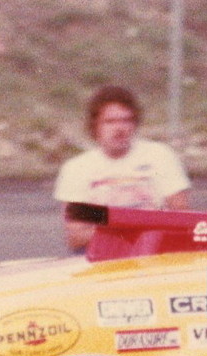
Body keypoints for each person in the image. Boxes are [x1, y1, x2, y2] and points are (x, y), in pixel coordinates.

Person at [55, 86, 193, 253]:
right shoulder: (77, 168)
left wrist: (115, 224)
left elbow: (182, 219)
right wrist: (137, 225)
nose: (119, 128)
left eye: (126, 120)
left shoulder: (159, 155)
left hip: (153, 253)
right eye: (110, 122)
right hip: (100, 257)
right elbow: (76, 237)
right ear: (95, 126)